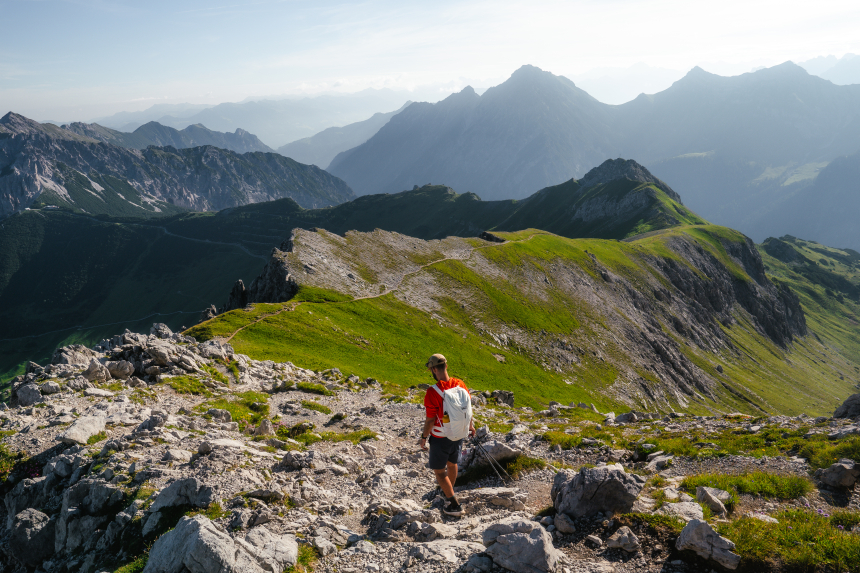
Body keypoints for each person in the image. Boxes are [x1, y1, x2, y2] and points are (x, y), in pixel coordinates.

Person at [418, 353, 475, 517]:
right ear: (446, 366)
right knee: (452, 463)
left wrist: (423, 438)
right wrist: (470, 427)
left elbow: (430, 421)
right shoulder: (460, 384)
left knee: (439, 471)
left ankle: (454, 504)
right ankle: (448, 491)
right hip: (458, 433)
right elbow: (467, 410)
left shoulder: (432, 392)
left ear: (434, 369)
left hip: (440, 437)